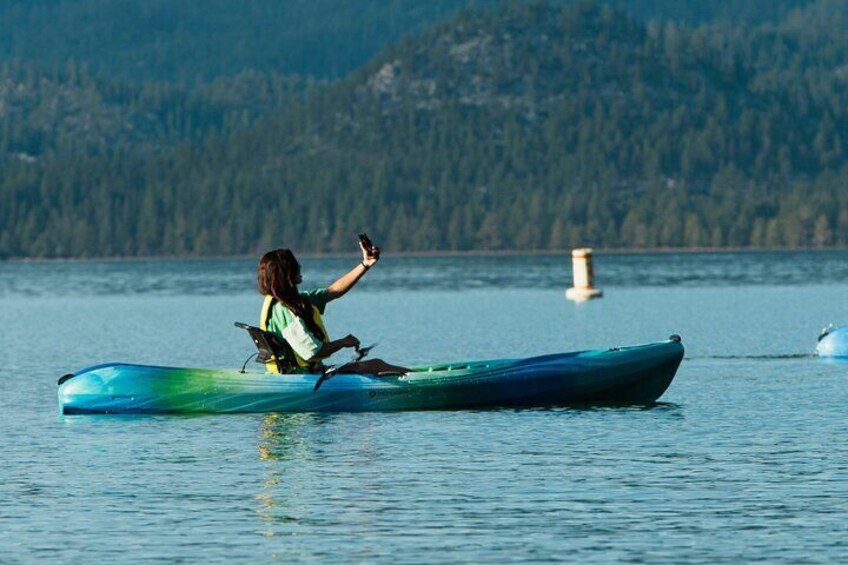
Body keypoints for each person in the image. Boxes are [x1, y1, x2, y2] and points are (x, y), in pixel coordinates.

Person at [256, 238, 410, 376]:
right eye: (295, 265)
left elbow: (334, 291)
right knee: (376, 365)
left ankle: (418, 374)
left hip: (306, 374)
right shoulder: (283, 310)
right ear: (286, 274)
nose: (300, 267)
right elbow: (312, 353)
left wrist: (365, 264)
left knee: (376, 365)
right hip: (304, 379)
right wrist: (343, 342)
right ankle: (423, 380)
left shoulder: (291, 301)